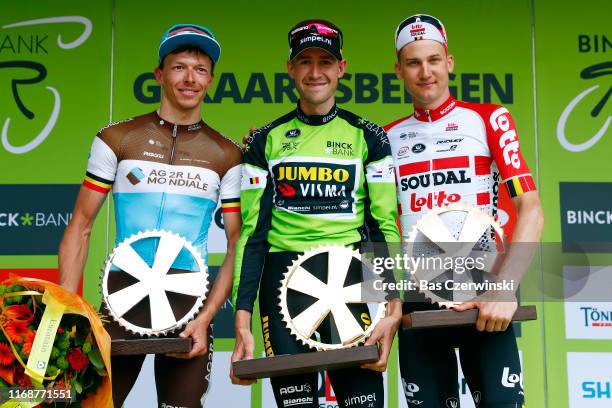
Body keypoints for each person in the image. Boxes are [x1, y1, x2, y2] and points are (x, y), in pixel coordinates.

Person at [58, 24, 242, 408]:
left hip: (190, 303)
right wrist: (68, 312)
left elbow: (235, 246)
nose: (190, 78)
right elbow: (82, 225)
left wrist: (206, 318)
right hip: (123, 296)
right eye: (179, 67)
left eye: (200, 69)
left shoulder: (226, 154)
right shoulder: (116, 138)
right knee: (93, 404)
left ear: (211, 79)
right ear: (159, 74)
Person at [229, 19, 402, 408]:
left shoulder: (369, 137)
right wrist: (241, 318)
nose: (315, 71)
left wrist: (394, 303)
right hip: (281, 285)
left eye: (325, 61)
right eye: (304, 61)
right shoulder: (264, 140)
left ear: (341, 68)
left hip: (354, 280)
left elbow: (382, 224)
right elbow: (253, 234)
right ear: (290, 69)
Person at [384, 14, 544, 407]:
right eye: (414, 62)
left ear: (449, 62)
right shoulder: (385, 138)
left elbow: (532, 209)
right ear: (399, 70)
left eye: (434, 60)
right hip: (419, 299)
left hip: (485, 291)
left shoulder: (489, 119)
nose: (426, 72)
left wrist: (505, 289)